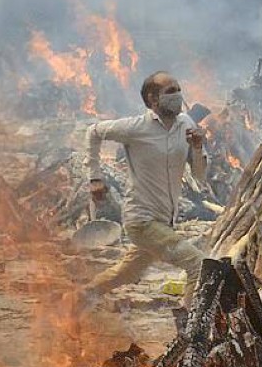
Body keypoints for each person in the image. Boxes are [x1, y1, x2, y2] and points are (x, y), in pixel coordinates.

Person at [82, 71, 208, 311]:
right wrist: (95, 178)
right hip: (141, 220)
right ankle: (192, 330)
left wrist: (198, 147)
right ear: (153, 100)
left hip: (164, 220)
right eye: (170, 91)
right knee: (197, 264)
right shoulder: (137, 127)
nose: (178, 95)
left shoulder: (186, 125)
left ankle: (78, 298)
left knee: (126, 273)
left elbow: (200, 175)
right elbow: (94, 132)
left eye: (179, 89)